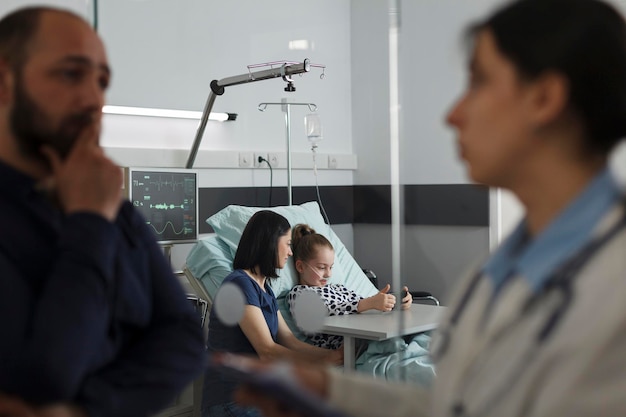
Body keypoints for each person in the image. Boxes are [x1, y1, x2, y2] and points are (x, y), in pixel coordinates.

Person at [230, 0, 626, 416]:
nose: (453, 115)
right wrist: (335, 392)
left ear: (544, 97)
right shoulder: (498, 268)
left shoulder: (612, 280)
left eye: (478, 83)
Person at [0, 6, 206, 417]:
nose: (95, 99)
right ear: (5, 83)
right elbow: (46, 377)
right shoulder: (97, 212)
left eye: (102, 81)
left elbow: (184, 341)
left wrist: (89, 409)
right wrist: (90, 223)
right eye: (71, 74)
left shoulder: (120, 213)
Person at [202, 211, 343, 417]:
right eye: (287, 244)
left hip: (257, 393)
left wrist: (334, 356)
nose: (290, 252)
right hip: (231, 400)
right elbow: (267, 350)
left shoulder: (265, 289)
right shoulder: (239, 284)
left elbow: (289, 341)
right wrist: (319, 364)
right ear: (269, 242)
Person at [288, 223, 412, 351]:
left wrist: (391, 302)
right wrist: (369, 303)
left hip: (370, 337)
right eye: (321, 267)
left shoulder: (337, 288)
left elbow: (363, 306)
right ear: (300, 267)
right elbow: (324, 310)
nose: (328, 274)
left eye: (331, 267)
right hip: (349, 349)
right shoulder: (298, 294)